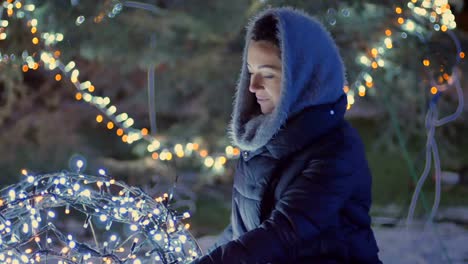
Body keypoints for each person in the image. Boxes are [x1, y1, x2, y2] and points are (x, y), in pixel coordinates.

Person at [190, 7, 382, 264]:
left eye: (268, 74)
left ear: (303, 78)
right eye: (250, 71)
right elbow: (245, 231)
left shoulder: (337, 150)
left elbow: (285, 230)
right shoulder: (260, 138)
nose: (253, 86)